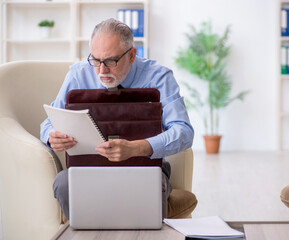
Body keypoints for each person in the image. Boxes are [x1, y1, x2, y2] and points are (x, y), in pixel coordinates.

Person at [40, 18, 194, 220]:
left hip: (145, 172)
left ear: (132, 55)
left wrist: (138, 148)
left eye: (111, 61)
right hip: (88, 172)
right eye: (95, 60)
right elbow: (48, 121)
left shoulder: (159, 77)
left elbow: (184, 131)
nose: (102, 71)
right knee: (63, 183)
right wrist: (52, 136)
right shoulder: (78, 74)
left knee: (151, 189)